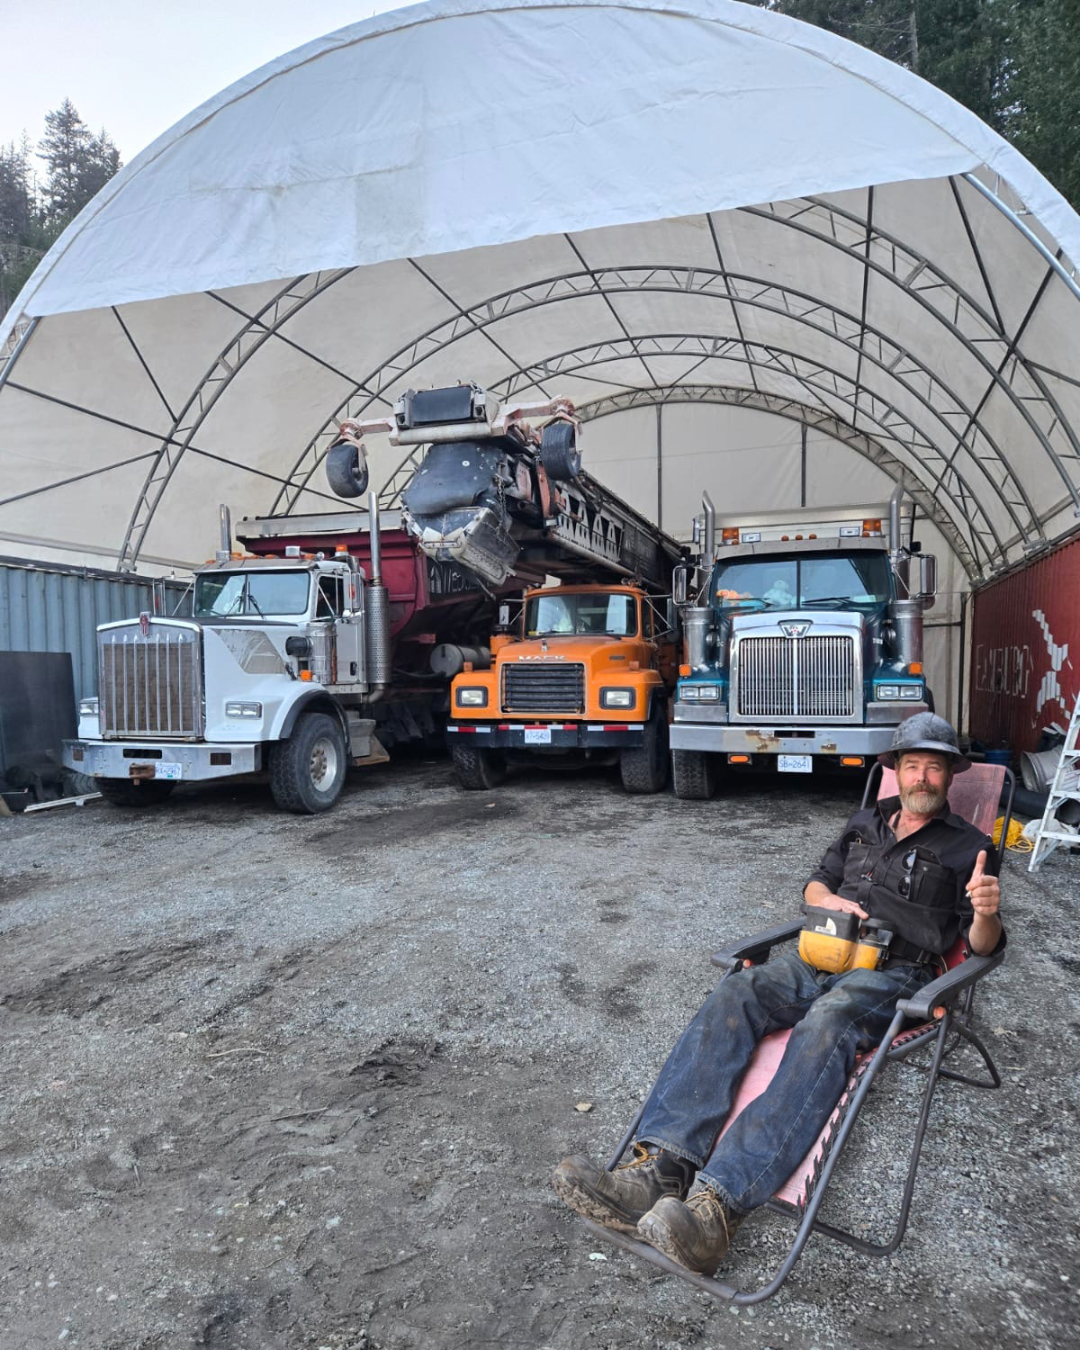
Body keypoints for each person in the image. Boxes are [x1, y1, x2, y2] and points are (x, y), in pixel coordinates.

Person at [552, 713, 1004, 1275]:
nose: (922, 777)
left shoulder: (972, 847)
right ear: (896, 771)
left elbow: (982, 946)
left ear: (949, 776)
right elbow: (816, 884)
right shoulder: (864, 822)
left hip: (896, 974)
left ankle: (717, 1208)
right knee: (737, 991)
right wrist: (831, 901)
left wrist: (986, 911)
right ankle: (662, 1170)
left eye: (934, 768)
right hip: (821, 952)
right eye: (912, 765)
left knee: (828, 1022)